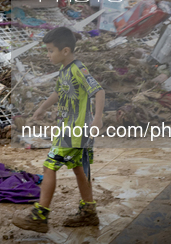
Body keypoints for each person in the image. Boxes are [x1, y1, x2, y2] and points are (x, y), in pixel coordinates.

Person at [12, 27, 106, 233]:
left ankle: (40, 215)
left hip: (76, 131)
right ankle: (89, 212)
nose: (48, 55)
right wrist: (42, 108)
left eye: (50, 50)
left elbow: (98, 91)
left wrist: (97, 119)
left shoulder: (78, 69)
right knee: (79, 168)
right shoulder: (65, 70)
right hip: (70, 130)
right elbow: (58, 92)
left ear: (65, 50)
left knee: (49, 167)